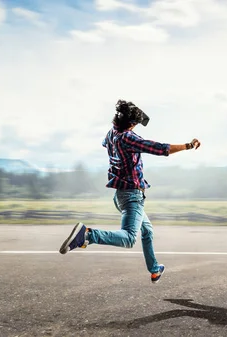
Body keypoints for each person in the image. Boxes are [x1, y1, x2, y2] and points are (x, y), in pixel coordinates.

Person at [59, 99, 201, 284]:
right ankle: (87, 235)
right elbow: (160, 149)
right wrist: (188, 145)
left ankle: (155, 268)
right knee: (128, 238)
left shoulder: (111, 134)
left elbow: (106, 143)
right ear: (130, 124)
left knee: (147, 232)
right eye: (134, 124)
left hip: (121, 194)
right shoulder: (128, 138)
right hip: (131, 196)